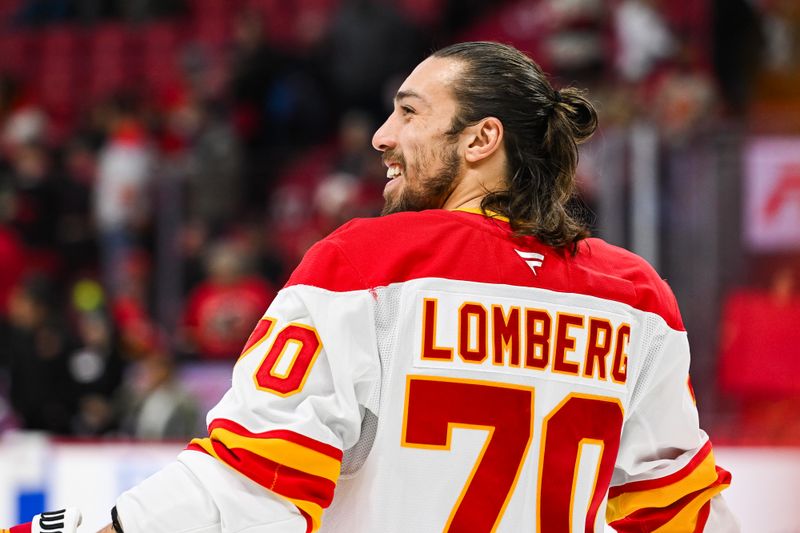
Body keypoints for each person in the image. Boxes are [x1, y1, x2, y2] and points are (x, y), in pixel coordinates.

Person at [5, 41, 738, 533]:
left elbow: (251, 485)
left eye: (410, 112)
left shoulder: (368, 263)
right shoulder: (635, 296)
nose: (382, 136)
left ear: (482, 139)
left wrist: (60, 526)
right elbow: (682, 513)